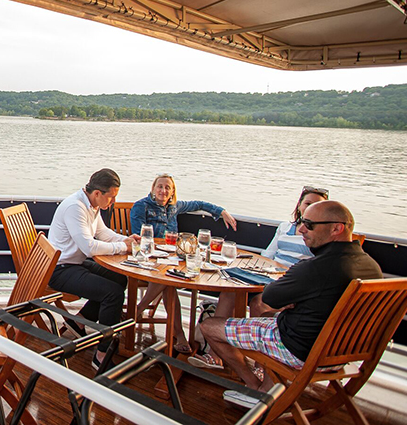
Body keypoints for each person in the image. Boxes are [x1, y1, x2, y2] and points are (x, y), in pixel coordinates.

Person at [199, 200, 382, 409]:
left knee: (210, 326)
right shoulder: (372, 268)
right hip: (342, 355)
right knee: (270, 320)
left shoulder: (315, 268)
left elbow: (269, 299)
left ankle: (256, 390)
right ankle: (269, 387)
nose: (301, 229)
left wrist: (291, 302)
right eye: (302, 222)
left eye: (309, 224)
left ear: (336, 229)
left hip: (299, 352)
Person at [189, 186, 328, 369]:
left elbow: (318, 268)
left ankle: (262, 365)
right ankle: (215, 355)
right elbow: (267, 256)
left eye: (316, 205)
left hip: (291, 285)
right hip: (269, 277)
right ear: (300, 205)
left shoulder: (320, 235)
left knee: (258, 303)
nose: (310, 208)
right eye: (308, 203)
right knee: (229, 291)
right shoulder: (285, 228)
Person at [130, 174, 237, 354]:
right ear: (153, 188)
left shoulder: (175, 207)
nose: (163, 191)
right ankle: (175, 332)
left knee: (169, 279)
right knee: (167, 279)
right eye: (160, 187)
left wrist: (221, 211)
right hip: (149, 257)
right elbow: (139, 236)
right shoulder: (141, 206)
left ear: (172, 192)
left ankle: (138, 311)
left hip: (171, 257)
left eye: (167, 188)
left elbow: (200, 204)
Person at [47, 168, 140, 371]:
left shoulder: (91, 204)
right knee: (112, 294)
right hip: (60, 269)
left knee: (119, 279)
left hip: (74, 263)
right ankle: (101, 354)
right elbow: (89, 248)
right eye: (112, 197)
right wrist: (125, 248)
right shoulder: (75, 207)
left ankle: (80, 322)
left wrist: (125, 240)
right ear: (98, 193)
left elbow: (102, 232)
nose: (113, 202)